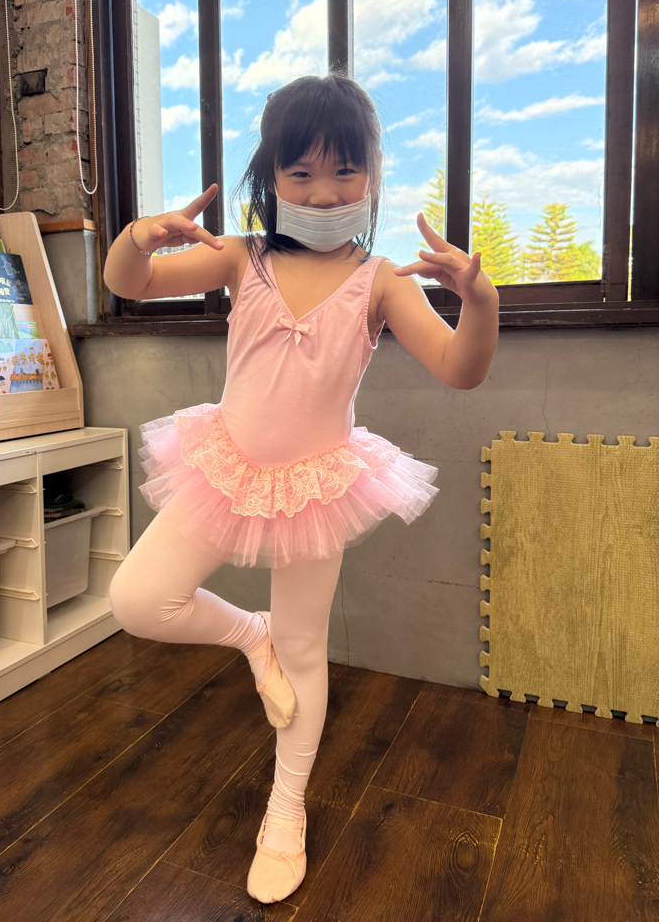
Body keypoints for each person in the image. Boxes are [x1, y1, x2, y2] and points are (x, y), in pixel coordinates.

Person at [103, 73, 499, 904]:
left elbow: (461, 370)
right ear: (271, 177)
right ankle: (253, 638)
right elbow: (128, 283)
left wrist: (481, 302)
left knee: (308, 650)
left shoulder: (382, 280)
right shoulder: (239, 257)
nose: (324, 192)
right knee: (138, 600)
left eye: (345, 171)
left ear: (374, 175)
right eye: (302, 173)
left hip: (315, 487)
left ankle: (286, 813)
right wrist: (140, 236)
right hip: (224, 469)